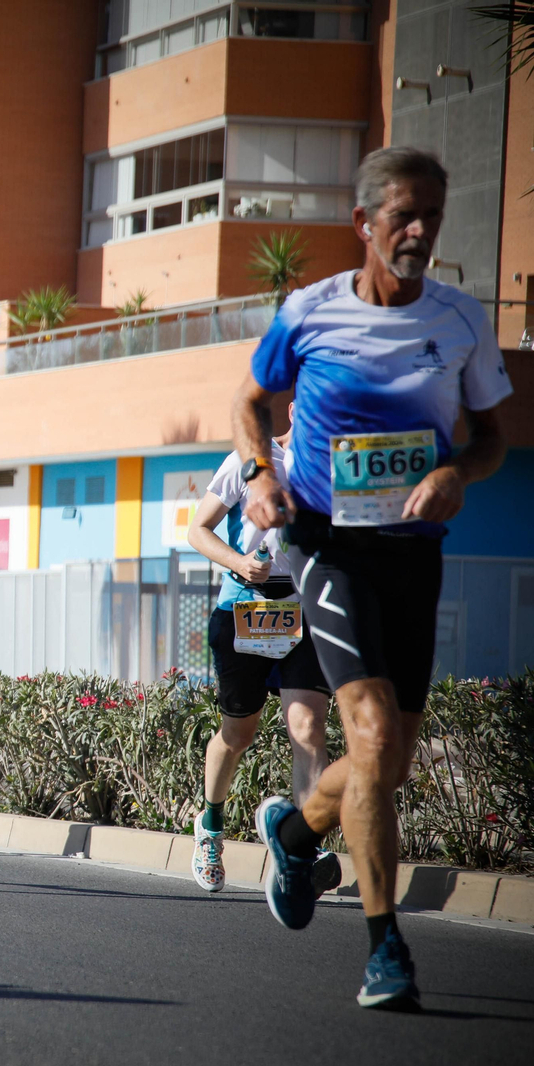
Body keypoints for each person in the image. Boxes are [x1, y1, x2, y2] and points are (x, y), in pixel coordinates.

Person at [234, 147, 511, 1011]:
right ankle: (385, 948)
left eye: (433, 212)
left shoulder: (462, 320)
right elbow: (248, 404)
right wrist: (261, 476)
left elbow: (493, 435)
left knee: (382, 766)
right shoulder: (309, 312)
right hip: (324, 543)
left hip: (411, 548)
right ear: (364, 224)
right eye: (403, 215)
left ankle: (297, 827)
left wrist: (460, 472)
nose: (421, 230)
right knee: (373, 735)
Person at [186, 405, 339, 894]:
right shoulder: (251, 459)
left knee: (309, 726)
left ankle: (304, 843)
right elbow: (197, 529)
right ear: (295, 408)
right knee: (238, 733)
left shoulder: (335, 468)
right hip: (244, 608)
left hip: (303, 612)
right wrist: (238, 563)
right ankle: (209, 828)